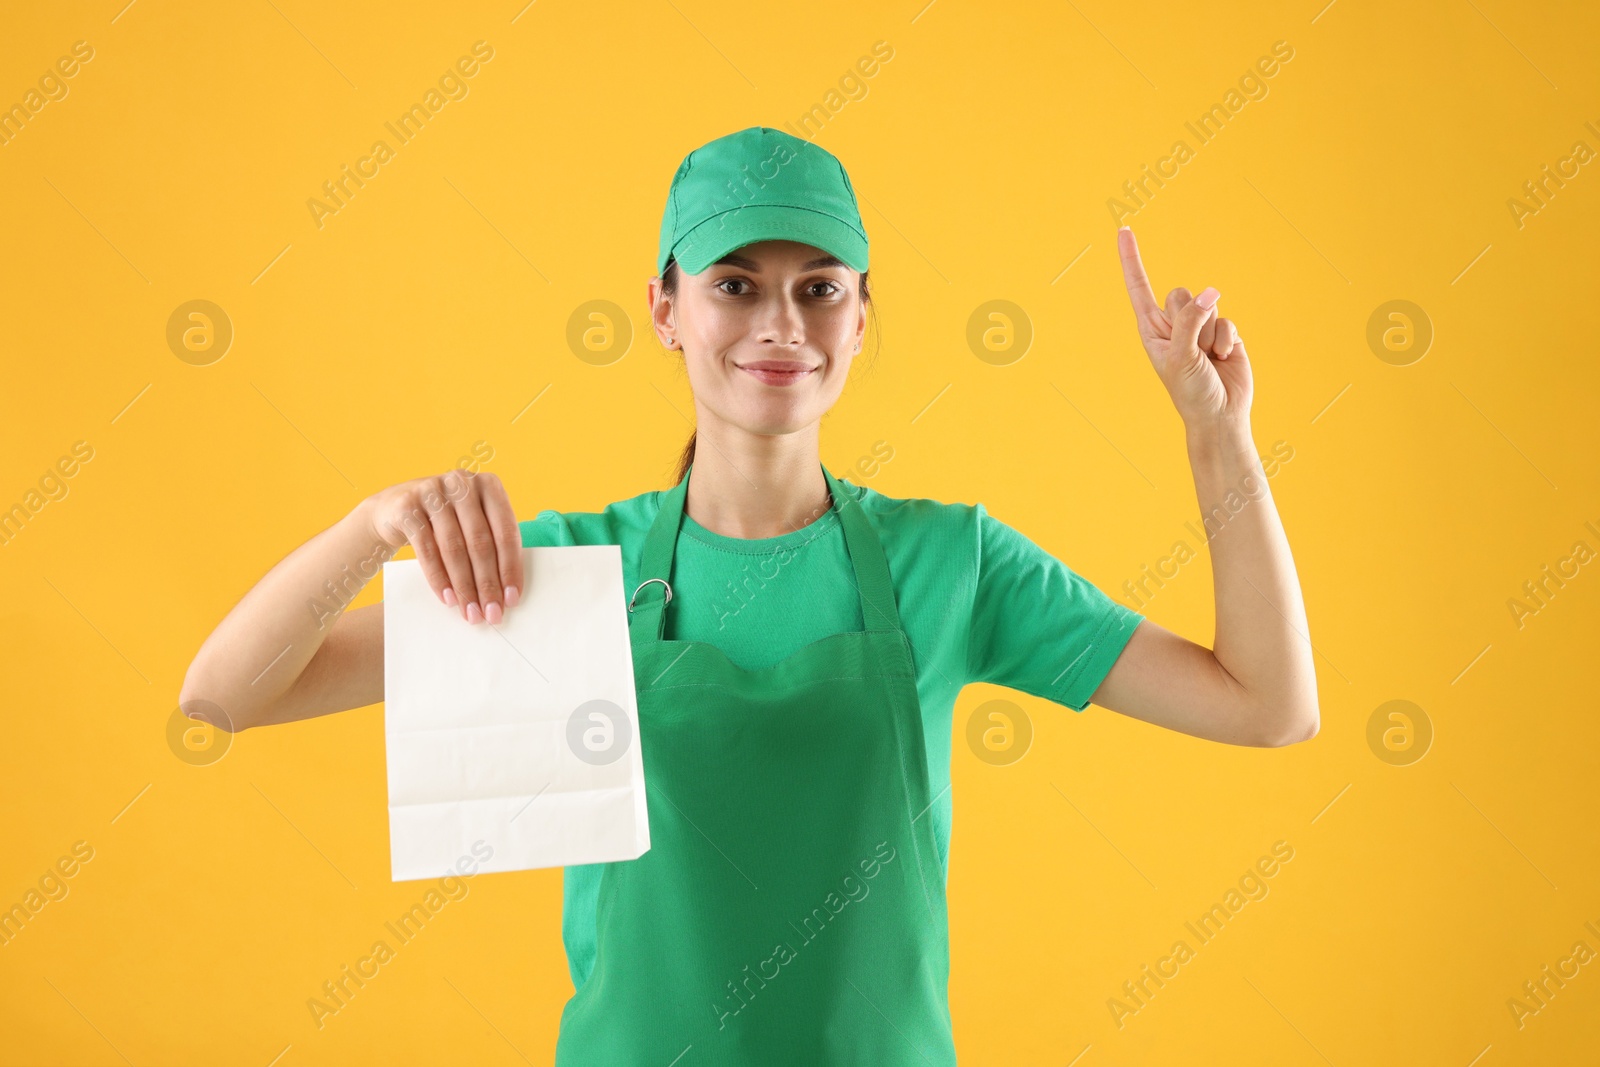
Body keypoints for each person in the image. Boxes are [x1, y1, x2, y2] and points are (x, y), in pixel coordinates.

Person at [180, 126, 1318, 1065]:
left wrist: (1218, 439)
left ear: (862, 317)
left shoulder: (954, 561)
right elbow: (229, 693)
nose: (781, 324)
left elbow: (1266, 704)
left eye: (818, 289)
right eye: (735, 284)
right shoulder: (565, 573)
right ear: (666, 307)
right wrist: (369, 525)